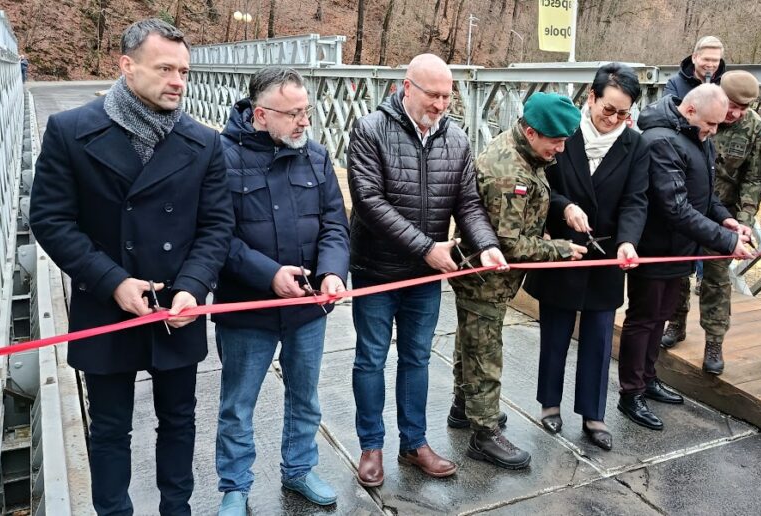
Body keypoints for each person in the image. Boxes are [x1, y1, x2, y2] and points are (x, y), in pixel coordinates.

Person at [29, 19, 233, 515]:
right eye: (165, 68)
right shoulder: (72, 131)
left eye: (184, 71)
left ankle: (176, 509)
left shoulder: (204, 142)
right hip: (105, 305)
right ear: (126, 66)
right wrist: (112, 281)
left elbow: (216, 226)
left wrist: (193, 286)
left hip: (176, 307)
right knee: (109, 427)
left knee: (180, 420)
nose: (179, 81)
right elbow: (51, 220)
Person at [346, 53, 507, 487]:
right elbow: (368, 201)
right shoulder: (369, 129)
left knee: (416, 358)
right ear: (406, 87)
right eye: (433, 95)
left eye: (447, 96)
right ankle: (371, 446)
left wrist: (487, 245)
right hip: (376, 270)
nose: (440, 104)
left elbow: (468, 203)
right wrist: (426, 248)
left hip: (423, 277)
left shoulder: (455, 138)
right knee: (371, 359)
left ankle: (414, 443)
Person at [212, 67, 350, 513]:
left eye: (306, 111)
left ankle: (299, 469)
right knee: (238, 404)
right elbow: (217, 237)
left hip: (307, 308)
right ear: (259, 115)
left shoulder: (316, 156)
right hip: (247, 308)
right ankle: (235, 486)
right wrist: (268, 274)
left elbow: (335, 224)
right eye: (292, 114)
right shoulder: (220, 158)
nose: (303, 121)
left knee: (305, 396)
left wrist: (331, 273)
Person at [449, 92, 585, 469]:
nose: (560, 149)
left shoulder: (523, 150)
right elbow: (507, 244)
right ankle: (484, 433)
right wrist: (558, 249)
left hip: (483, 276)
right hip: (485, 279)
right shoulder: (509, 172)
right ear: (530, 131)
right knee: (485, 353)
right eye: (555, 141)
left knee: (470, 344)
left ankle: (466, 407)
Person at [522, 64, 647, 451]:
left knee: (598, 335)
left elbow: (635, 201)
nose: (613, 120)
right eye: (608, 109)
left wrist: (628, 242)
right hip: (563, 248)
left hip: (606, 252)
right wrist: (563, 208)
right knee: (555, 332)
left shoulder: (634, 144)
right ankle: (550, 404)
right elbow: (542, 184)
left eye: (623, 114)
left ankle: (593, 414)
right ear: (591, 97)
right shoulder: (565, 133)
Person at [619, 85, 754, 431]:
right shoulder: (661, 141)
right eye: (710, 124)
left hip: (681, 248)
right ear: (691, 110)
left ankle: (648, 377)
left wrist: (725, 217)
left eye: (718, 126)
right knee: (643, 318)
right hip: (655, 247)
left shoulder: (697, 135)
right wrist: (726, 241)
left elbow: (704, 193)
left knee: (662, 315)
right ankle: (630, 392)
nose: (713, 132)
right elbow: (675, 208)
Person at [660, 71, 761, 376]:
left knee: (717, 281)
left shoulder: (753, 129)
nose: (734, 113)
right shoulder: (698, 112)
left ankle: (714, 341)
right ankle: (676, 323)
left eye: (743, 109)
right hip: (685, 208)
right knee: (678, 273)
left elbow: (755, 178)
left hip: (725, 216)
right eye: (732, 104)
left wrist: (743, 221)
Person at [663, 36, 726, 100]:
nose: (710, 65)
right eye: (706, 59)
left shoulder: (726, 85)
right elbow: (667, 109)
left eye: (715, 60)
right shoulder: (674, 84)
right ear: (694, 58)